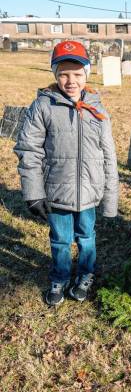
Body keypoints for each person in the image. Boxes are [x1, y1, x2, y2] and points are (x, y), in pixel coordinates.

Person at [14, 40, 119, 306]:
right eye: (63, 74)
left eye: (77, 74)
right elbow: (30, 149)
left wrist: (110, 198)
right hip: (57, 192)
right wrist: (34, 193)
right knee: (60, 240)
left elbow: (109, 156)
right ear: (54, 74)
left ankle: (85, 274)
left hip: (89, 192)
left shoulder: (98, 110)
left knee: (87, 237)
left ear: (87, 74)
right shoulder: (42, 106)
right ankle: (59, 277)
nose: (71, 80)